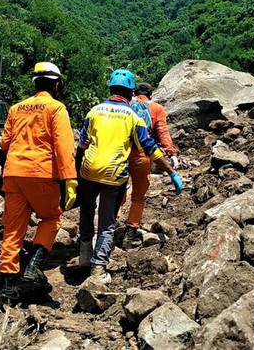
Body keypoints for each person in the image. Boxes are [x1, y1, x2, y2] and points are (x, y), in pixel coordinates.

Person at [77, 69, 183, 284]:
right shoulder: (134, 117)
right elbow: (150, 146)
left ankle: (84, 255)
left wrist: (74, 170)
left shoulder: (95, 110)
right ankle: (98, 270)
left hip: (88, 170)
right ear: (130, 92)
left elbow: (81, 144)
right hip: (114, 173)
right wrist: (171, 171)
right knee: (107, 222)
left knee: (87, 209)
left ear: (110, 89)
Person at [0, 62, 77, 307]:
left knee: (12, 231)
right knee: (51, 218)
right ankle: (32, 266)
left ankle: (7, 291)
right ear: (56, 84)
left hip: (14, 175)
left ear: (35, 83)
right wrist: (69, 179)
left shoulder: (16, 108)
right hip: (41, 173)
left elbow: (4, 145)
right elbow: (63, 145)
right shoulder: (56, 108)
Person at [123, 82, 180, 249]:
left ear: (134, 93)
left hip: (121, 154)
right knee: (138, 197)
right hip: (143, 155)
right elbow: (162, 132)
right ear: (151, 95)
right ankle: (130, 232)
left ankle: (111, 227)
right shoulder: (157, 108)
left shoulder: (126, 104)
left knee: (118, 192)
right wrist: (171, 153)